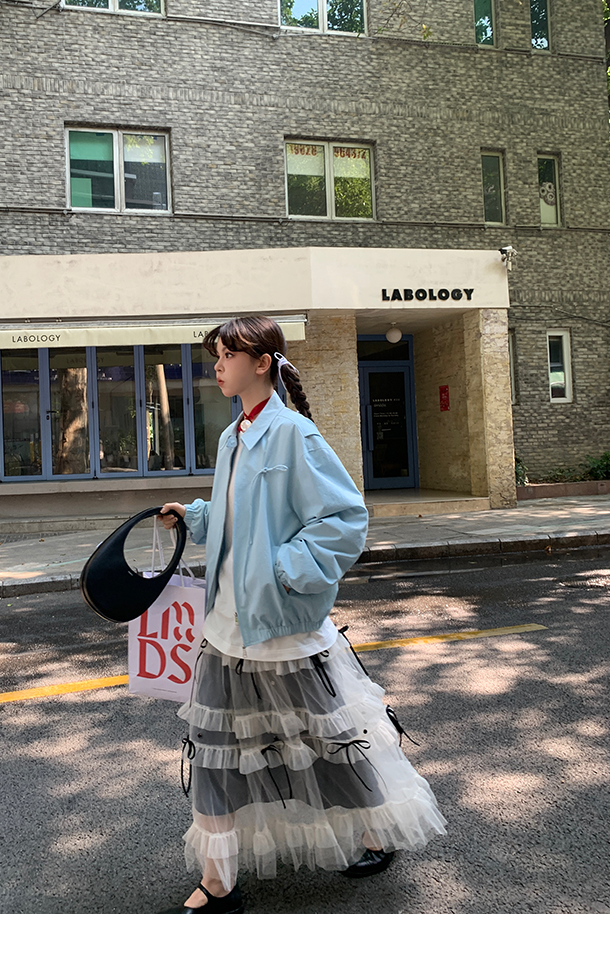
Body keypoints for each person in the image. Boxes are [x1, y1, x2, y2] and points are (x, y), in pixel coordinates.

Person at [159, 316, 446, 914]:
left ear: (261, 363)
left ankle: (376, 831)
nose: (217, 365)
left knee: (328, 743)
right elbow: (241, 514)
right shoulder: (233, 435)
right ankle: (217, 881)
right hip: (226, 627)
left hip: (283, 627)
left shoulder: (293, 433)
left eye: (227, 355)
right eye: (216, 355)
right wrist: (195, 517)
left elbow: (345, 520)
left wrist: (282, 569)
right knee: (214, 754)